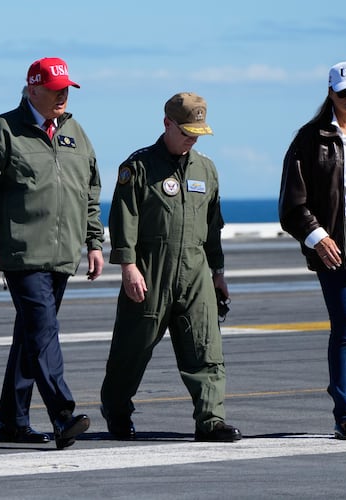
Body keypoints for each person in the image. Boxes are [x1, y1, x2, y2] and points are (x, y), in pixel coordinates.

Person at [0, 57, 105, 450]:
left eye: (66, 88)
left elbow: (89, 191)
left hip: (63, 253)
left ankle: (13, 420)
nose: (62, 94)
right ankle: (63, 415)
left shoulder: (75, 132)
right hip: (21, 251)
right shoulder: (2, 130)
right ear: (32, 89)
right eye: (54, 88)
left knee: (31, 336)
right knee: (44, 332)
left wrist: (94, 242)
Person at [100, 92, 242, 442]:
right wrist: (128, 267)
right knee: (132, 348)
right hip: (151, 270)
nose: (192, 138)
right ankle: (117, 410)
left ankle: (210, 419)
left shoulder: (205, 169)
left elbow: (213, 227)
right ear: (167, 124)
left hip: (195, 271)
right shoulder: (139, 167)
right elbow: (124, 220)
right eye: (186, 131)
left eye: (197, 133)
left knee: (205, 346)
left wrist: (218, 273)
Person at [279, 61, 346, 441]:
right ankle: (344, 412)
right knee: (343, 326)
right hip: (332, 239)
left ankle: (343, 386)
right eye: (344, 93)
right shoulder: (309, 139)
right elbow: (292, 204)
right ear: (330, 92)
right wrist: (317, 237)